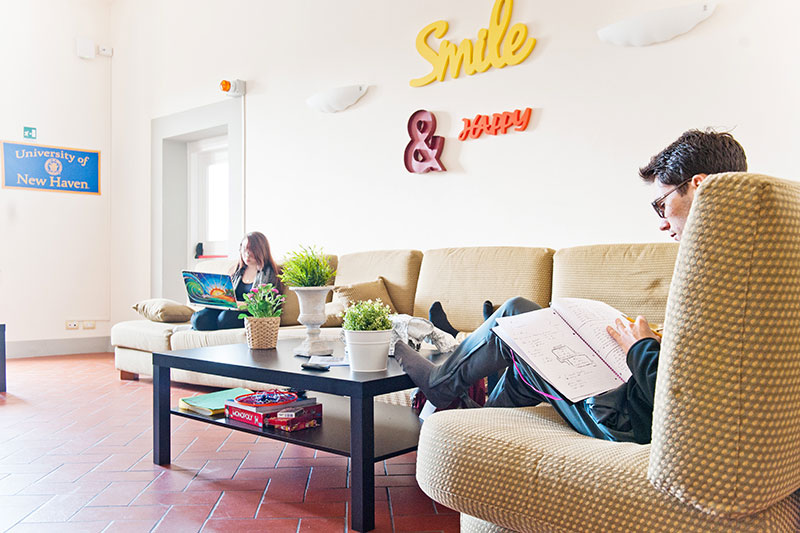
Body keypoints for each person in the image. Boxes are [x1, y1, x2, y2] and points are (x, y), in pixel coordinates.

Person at [393, 129, 748, 444]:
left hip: (625, 422)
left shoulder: (714, 276)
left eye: (662, 204)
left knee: (516, 314)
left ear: (699, 185)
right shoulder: (742, 263)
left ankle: (445, 385)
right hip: (635, 406)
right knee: (525, 347)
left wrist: (639, 348)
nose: (661, 221)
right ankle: (472, 426)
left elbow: (679, 394)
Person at [191, 231, 281, 331]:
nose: (247, 254)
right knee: (199, 319)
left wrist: (241, 305)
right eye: (244, 249)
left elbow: (265, 303)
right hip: (227, 308)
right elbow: (226, 295)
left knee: (225, 319)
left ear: (262, 250)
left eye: (251, 249)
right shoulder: (237, 270)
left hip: (247, 312)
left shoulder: (269, 273)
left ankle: (216, 325)